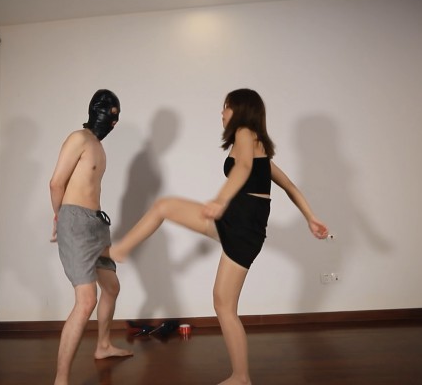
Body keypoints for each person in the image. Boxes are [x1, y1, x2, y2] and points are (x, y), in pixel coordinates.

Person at [110, 88, 329, 385]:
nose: (222, 113)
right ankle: (121, 250)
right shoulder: (255, 142)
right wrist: (311, 216)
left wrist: (221, 199)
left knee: (224, 305)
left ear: (241, 110)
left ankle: (241, 377)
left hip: (242, 224)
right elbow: (288, 185)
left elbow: (244, 168)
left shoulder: (244, 132)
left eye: (226, 107)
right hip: (236, 221)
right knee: (164, 207)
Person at [49, 89, 132, 385]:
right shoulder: (79, 138)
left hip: (96, 225)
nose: (114, 122)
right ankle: (61, 379)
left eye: (117, 117)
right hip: (76, 222)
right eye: (111, 115)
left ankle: (103, 345)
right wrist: (59, 217)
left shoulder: (98, 146)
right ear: (97, 110)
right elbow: (56, 183)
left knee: (111, 287)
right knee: (86, 301)